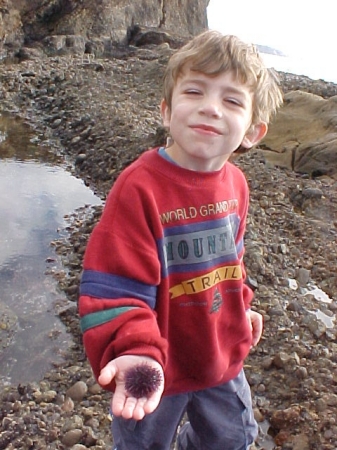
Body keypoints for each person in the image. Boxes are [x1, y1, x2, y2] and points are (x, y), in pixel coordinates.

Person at [79, 29, 283, 450]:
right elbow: (114, 286)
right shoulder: (139, 188)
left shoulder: (237, 185)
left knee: (233, 439)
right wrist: (135, 349)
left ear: (252, 132)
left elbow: (232, 258)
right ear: (167, 112)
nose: (210, 108)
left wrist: (241, 305)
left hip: (219, 356)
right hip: (156, 363)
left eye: (231, 100)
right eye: (194, 92)